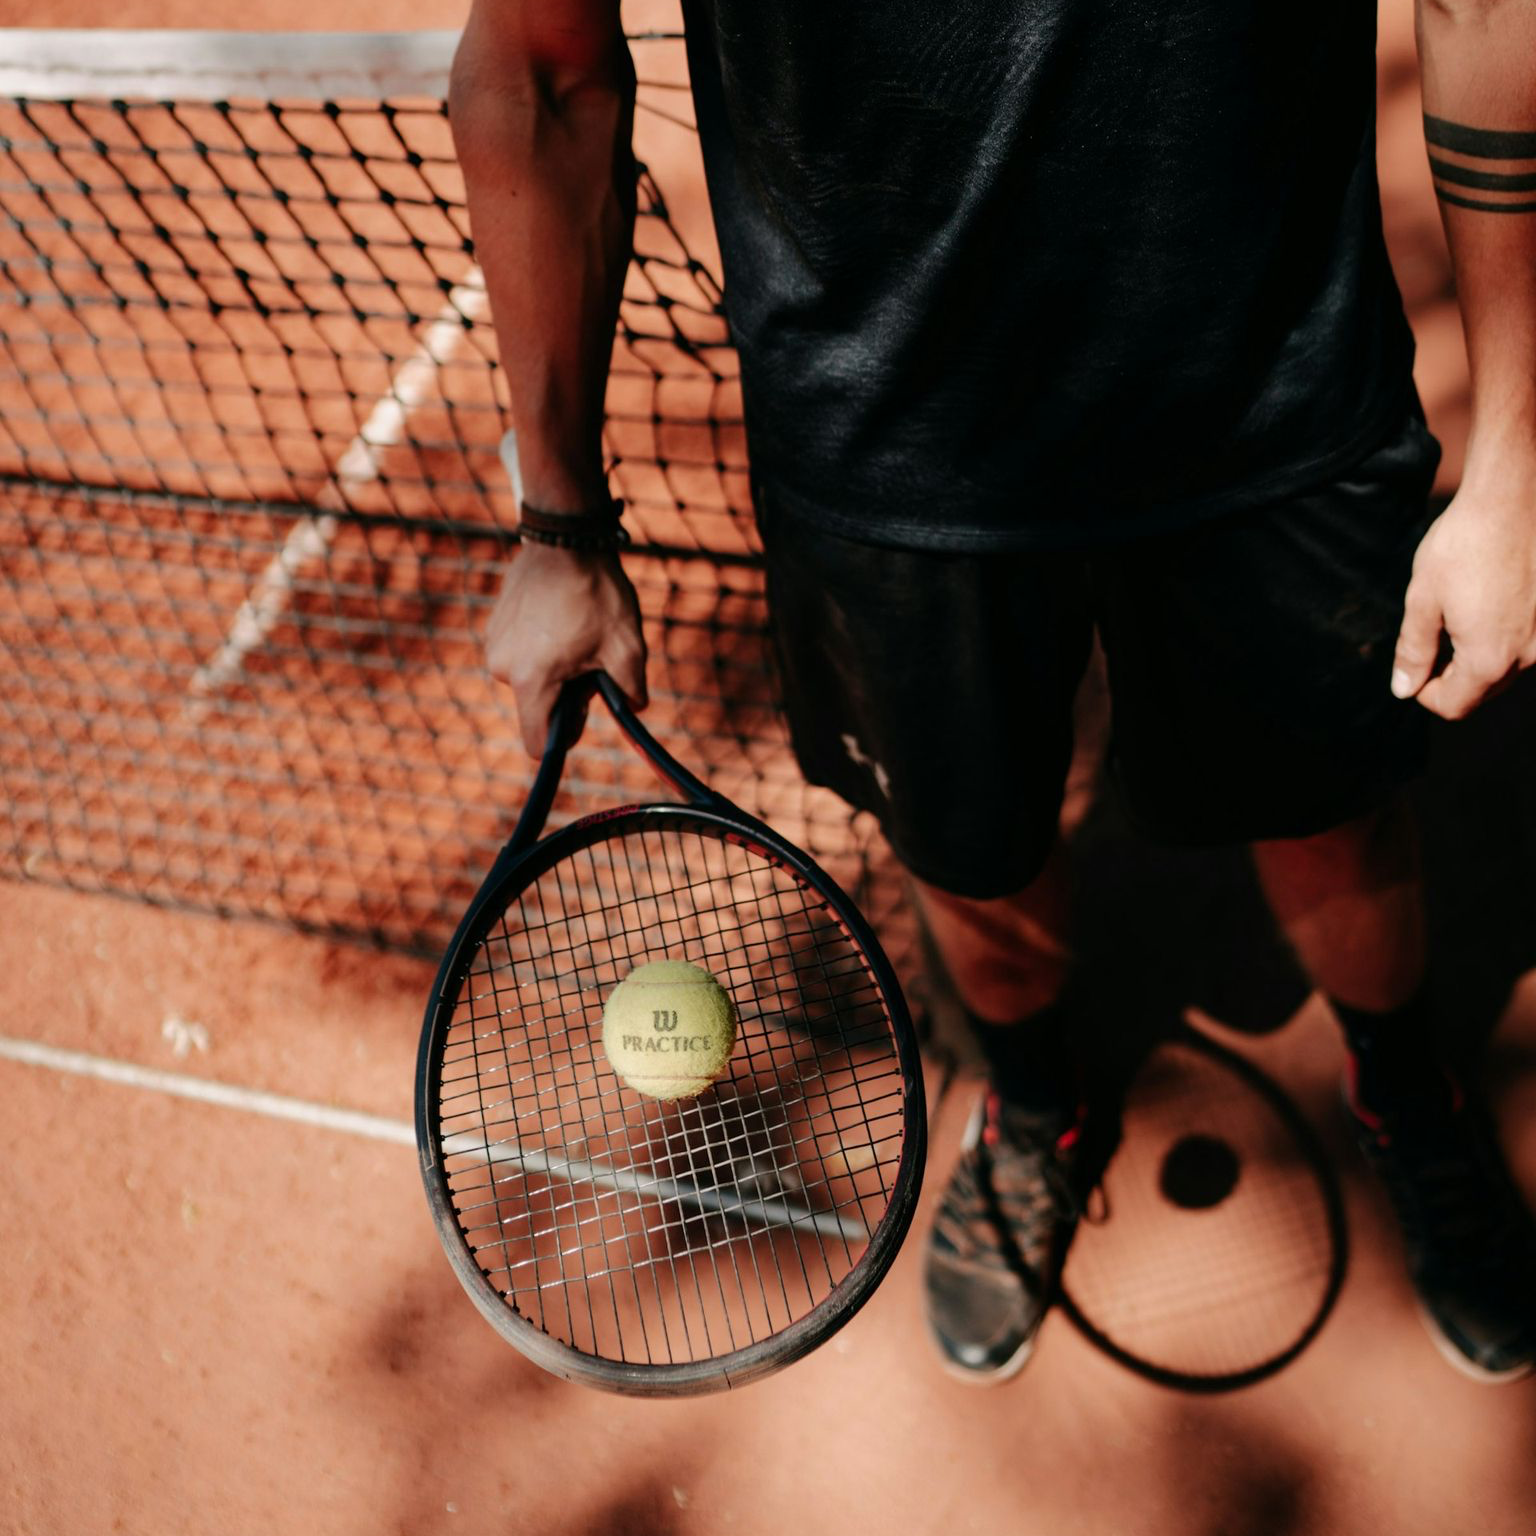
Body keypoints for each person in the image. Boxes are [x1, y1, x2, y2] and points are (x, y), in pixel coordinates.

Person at [448, 0, 1536, 1383]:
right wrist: (557, 526)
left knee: (1337, 817)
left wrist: (1514, 453)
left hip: (1273, 396)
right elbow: (540, 70)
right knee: (970, 863)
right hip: (882, 460)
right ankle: (1036, 1108)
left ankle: (1403, 1090)